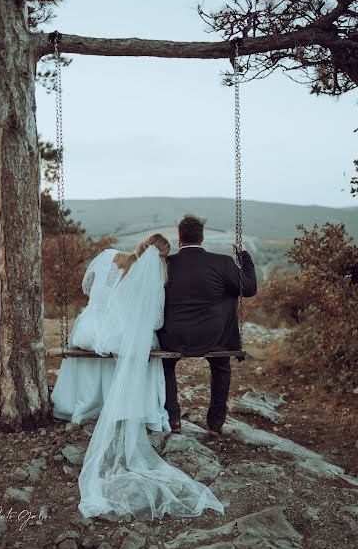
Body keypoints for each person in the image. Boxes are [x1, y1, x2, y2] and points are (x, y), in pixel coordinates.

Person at [76, 237, 224, 520]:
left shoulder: (116, 259)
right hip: (130, 335)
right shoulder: (155, 275)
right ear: (162, 257)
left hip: (103, 331)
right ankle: (152, 412)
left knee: (143, 347)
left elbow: (92, 291)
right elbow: (155, 322)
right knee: (150, 347)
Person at [51, 235, 170, 432]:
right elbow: (156, 322)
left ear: (142, 243)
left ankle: (85, 405)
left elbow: (86, 288)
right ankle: (132, 408)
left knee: (105, 346)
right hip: (120, 335)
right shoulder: (152, 275)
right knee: (140, 346)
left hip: (88, 330)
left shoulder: (109, 256)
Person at [158, 216, 257, 434]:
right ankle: (215, 423)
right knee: (221, 365)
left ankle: (173, 418)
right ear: (202, 238)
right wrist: (244, 258)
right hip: (215, 335)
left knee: (164, 365)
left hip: (174, 336)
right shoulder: (222, 262)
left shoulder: (165, 264)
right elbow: (249, 288)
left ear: (179, 238)